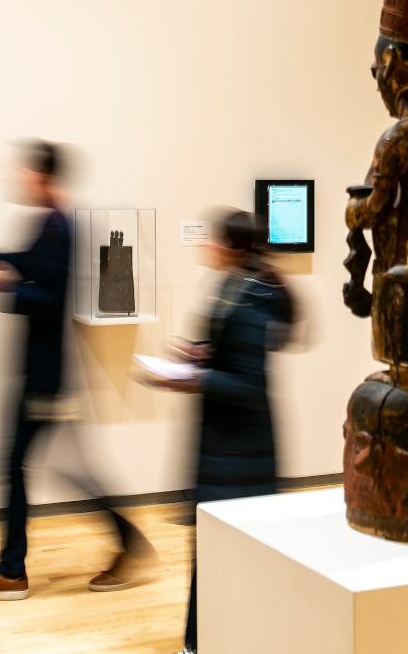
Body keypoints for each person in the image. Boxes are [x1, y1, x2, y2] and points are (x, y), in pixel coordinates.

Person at [0, 139, 154, 604]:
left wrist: (1, 286)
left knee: (16, 464)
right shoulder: (50, 222)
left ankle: (12, 571)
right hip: (42, 373)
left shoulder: (59, 226)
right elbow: (19, 263)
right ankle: (124, 543)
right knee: (55, 467)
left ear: (42, 176)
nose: (17, 178)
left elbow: (51, 299)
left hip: (44, 376)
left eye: (24, 172)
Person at [144, 210, 297, 654]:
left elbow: (248, 383)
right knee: (212, 553)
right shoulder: (235, 286)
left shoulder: (252, 296)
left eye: (211, 239)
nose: (204, 246)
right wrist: (197, 356)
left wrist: (191, 378)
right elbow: (229, 356)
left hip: (240, 452)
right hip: (223, 447)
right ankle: (201, 643)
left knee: (223, 555)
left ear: (229, 246)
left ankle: (206, 644)